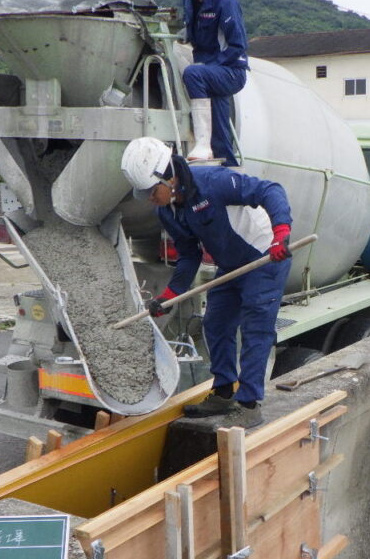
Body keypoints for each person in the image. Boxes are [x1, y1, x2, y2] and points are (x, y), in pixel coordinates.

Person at [120, 136, 293, 428]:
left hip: (263, 256)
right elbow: (189, 255)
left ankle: (250, 405)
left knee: (255, 329)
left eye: (151, 191)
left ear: (168, 176)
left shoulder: (213, 181)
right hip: (230, 264)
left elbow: (269, 191)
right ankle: (224, 393)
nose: (149, 198)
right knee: (215, 323)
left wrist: (281, 232)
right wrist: (170, 295)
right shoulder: (167, 211)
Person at [170, 0, 249, 166]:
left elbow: (237, 48)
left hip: (230, 70)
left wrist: (210, 67)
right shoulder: (188, 0)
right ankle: (230, 174)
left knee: (192, 74)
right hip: (209, 75)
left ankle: (202, 145)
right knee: (221, 139)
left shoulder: (225, 0)